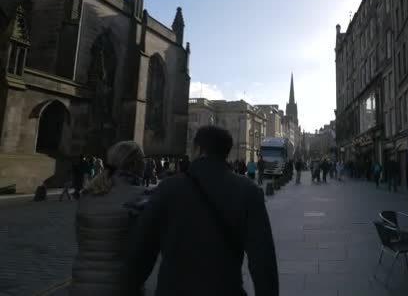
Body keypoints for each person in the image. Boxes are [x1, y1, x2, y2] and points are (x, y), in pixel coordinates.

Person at [125, 125, 278, 295]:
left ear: (197, 149)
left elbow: (142, 250)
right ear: (226, 152)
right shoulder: (248, 190)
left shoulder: (168, 188)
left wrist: (130, 287)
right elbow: (263, 260)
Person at [70, 141, 147, 295]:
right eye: (143, 161)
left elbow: (81, 241)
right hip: (119, 286)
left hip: (81, 285)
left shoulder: (87, 195)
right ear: (135, 164)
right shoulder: (141, 197)